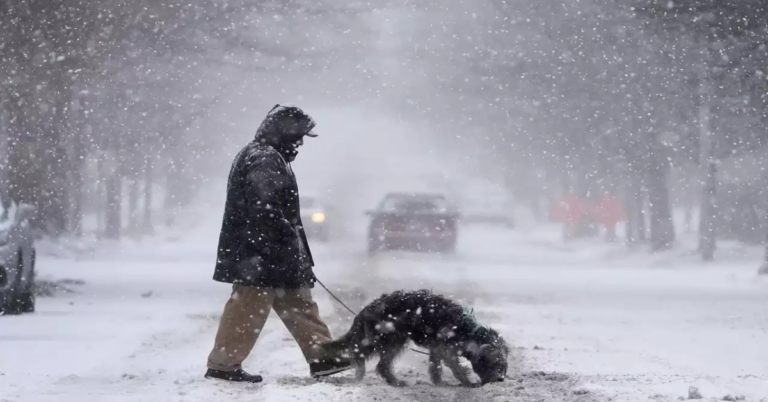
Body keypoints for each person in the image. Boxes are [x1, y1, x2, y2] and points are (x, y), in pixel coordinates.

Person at [205, 104, 351, 383]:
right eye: (297, 137)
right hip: (259, 253)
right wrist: (283, 240)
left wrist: (291, 250)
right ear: (283, 134)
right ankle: (223, 364)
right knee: (248, 306)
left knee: (299, 302)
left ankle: (324, 357)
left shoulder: (266, 155)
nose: (299, 145)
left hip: (271, 252)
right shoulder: (264, 158)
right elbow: (264, 207)